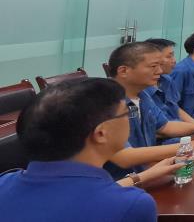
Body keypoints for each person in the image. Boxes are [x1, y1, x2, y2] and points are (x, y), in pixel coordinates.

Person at [0, 78, 161, 221]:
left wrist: (141, 177)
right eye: (127, 112)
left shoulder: (4, 183)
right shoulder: (132, 205)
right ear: (101, 133)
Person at [105, 41, 194, 178]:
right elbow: (124, 157)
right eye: (153, 66)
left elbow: (165, 126)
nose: (160, 71)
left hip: (146, 171)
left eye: (159, 66)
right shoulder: (105, 102)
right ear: (123, 71)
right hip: (119, 181)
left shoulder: (142, 95)